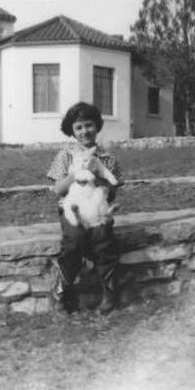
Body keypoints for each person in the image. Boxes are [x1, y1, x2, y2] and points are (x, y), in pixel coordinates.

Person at [46, 102, 123, 315]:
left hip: (97, 208)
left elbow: (113, 190)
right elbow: (58, 189)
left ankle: (109, 293)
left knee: (103, 240)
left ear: (97, 126)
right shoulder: (65, 156)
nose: (84, 131)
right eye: (78, 127)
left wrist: (97, 173)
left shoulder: (107, 159)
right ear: (72, 130)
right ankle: (61, 292)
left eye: (89, 125)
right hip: (73, 209)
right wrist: (76, 173)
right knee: (74, 240)